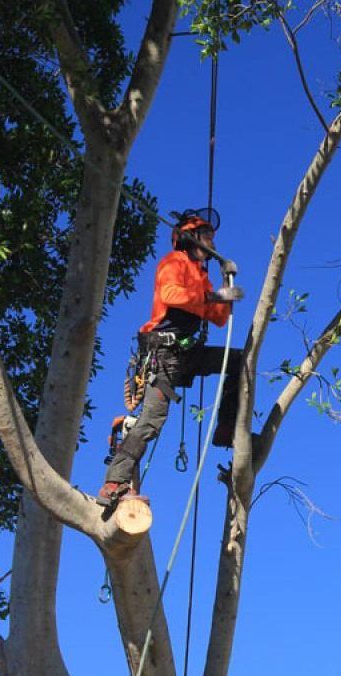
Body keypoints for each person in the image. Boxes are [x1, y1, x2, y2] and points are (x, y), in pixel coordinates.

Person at [97, 208, 244, 505]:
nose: (213, 243)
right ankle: (114, 481)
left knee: (240, 362)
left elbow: (218, 319)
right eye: (208, 237)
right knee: (152, 420)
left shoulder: (201, 276)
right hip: (163, 354)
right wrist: (215, 297)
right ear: (192, 239)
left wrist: (225, 286)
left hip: (189, 353)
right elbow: (172, 295)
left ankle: (226, 428)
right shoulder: (173, 262)